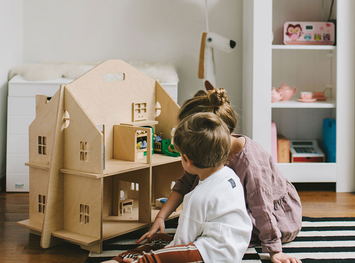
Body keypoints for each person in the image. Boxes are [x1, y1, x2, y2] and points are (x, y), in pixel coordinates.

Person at [137, 88, 303, 263]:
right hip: (234, 206)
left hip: (273, 215)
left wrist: (274, 250)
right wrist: (161, 217)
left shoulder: (251, 162)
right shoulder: (207, 150)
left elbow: (263, 207)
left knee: (224, 238)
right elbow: (185, 181)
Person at [103, 112, 252, 263]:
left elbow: (181, 243)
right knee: (159, 239)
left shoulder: (197, 197)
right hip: (233, 249)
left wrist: (162, 255)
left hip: (212, 256)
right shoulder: (230, 176)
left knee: (156, 257)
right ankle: (126, 259)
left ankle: (134, 261)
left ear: (187, 160)